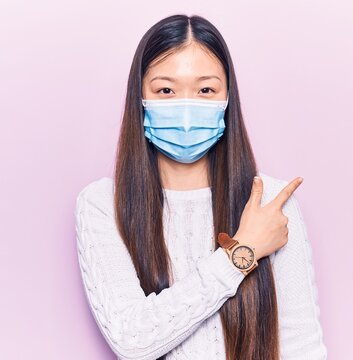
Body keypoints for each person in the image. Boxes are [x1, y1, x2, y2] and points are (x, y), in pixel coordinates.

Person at [75, 14, 327, 360]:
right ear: (140, 99)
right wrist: (243, 252)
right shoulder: (103, 204)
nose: (187, 108)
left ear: (227, 99)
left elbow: (302, 346)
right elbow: (132, 338)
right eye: (166, 90)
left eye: (205, 89)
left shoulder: (269, 203)